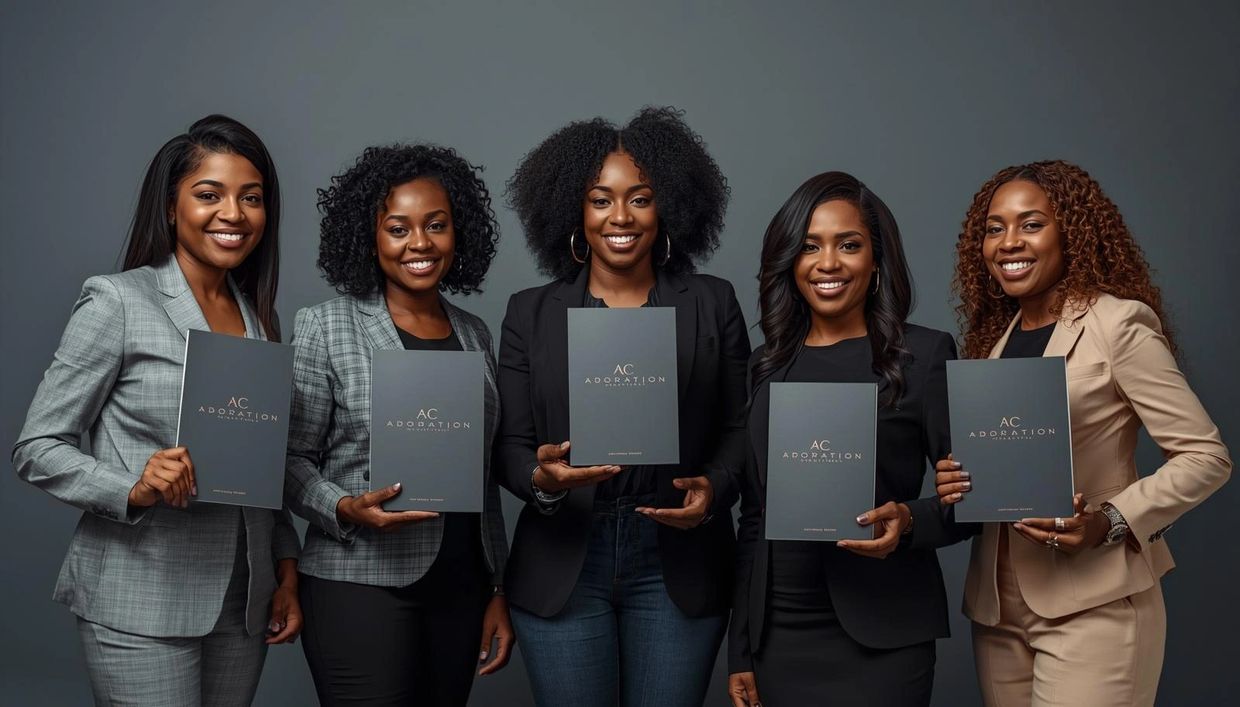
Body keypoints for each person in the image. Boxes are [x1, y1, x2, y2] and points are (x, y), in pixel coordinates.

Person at [12, 114, 301, 706]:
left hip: (242, 601)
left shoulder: (260, 321)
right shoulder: (119, 300)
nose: (234, 214)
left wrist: (284, 567)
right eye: (209, 194)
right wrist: (133, 487)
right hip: (140, 593)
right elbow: (37, 448)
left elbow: (262, 466)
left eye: (251, 198)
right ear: (171, 207)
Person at [934, 160, 1231, 706]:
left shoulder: (1118, 324)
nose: (1008, 242)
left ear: (1070, 231)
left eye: (1031, 224)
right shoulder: (992, 342)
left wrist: (1110, 521)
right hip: (997, 609)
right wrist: (958, 479)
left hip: (1095, 604)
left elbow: (1205, 457)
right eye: (993, 228)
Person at [496, 106, 749, 706]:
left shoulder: (712, 303)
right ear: (572, 211)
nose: (620, 217)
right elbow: (508, 443)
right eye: (599, 199)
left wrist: (713, 489)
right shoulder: (529, 313)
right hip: (562, 558)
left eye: (640, 198)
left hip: (677, 560)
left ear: (669, 210)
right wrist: (542, 477)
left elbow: (741, 427)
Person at [728, 171, 968, 707]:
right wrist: (740, 648)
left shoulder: (924, 356)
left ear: (877, 260)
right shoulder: (766, 367)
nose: (828, 263)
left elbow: (972, 500)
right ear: (790, 260)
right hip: (781, 635)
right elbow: (754, 516)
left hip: (885, 632)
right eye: (810, 246)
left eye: (849, 245)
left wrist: (909, 520)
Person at [284, 144, 512, 706]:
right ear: (371, 237)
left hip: (461, 587)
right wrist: (341, 506)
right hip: (358, 582)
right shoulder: (326, 325)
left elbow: (481, 478)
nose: (420, 244)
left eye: (436, 225)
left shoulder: (475, 334)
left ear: (459, 233)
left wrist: (497, 587)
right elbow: (287, 459)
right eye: (398, 228)